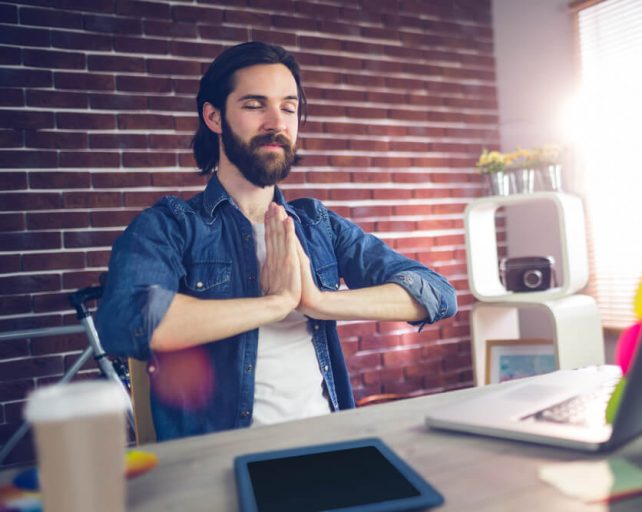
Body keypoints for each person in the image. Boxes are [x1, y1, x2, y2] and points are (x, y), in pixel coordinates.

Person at [95, 41, 457, 441]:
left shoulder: (318, 224)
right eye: (255, 105)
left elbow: (436, 294)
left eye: (288, 107)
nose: (276, 122)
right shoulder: (170, 226)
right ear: (214, 117)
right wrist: (274, 304)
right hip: (223, 459)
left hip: (331, 442)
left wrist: (317, 302)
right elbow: (126, 319)